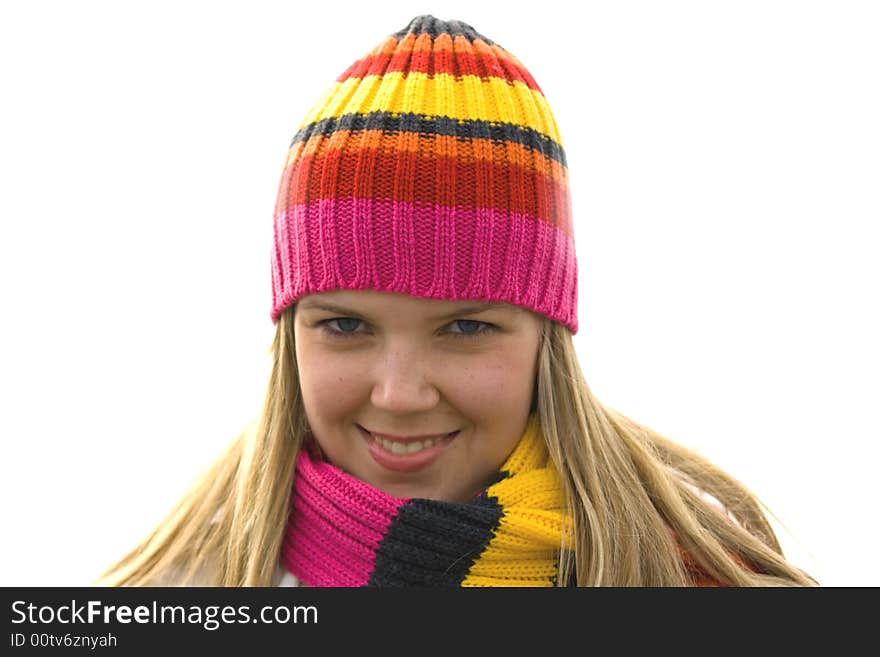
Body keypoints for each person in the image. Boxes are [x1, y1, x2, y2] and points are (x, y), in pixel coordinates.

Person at [98, 15, 817, 587]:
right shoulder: (178, 594)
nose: (401, 393)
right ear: (291, 332)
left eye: (466, 326)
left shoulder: (696, 579)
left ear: (548, 334)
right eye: (345, 324)